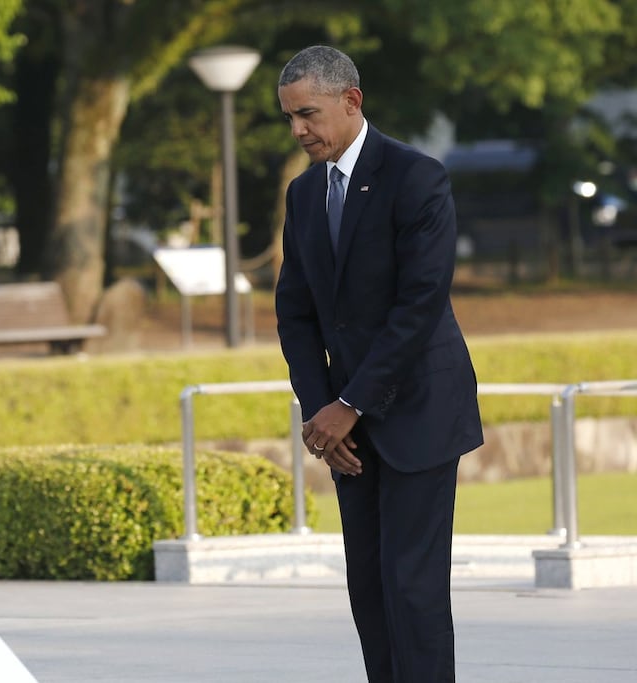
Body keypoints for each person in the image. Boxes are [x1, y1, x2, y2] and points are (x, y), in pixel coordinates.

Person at [274, 45, 484, 682]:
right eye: (289, 117)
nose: (298, 130)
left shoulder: (418, 177)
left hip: (418, 411)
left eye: (307, 114)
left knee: (412, 590)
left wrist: (350, 404)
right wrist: (321, 412)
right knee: (368, 588)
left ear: (351, 101)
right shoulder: (304, 195)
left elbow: (419, 306)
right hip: (346, 429)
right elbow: (297, 315)